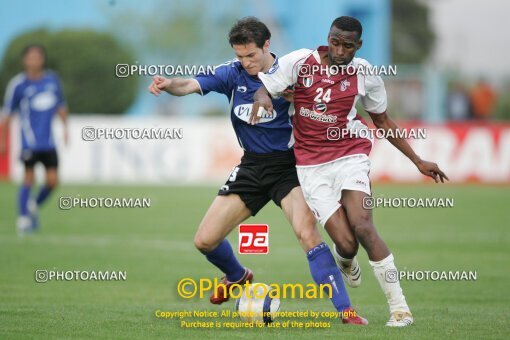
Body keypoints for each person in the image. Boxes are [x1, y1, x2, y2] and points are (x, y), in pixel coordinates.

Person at [148, 17, 367, 324]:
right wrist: (169, 84)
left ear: (267, 45)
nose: (246, 62)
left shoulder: (294, 71)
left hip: (289, 168)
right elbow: (189, 84)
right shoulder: (231, 73)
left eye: (251, 55)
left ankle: (346, 311)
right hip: (251, 166)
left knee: (308, 236)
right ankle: (237, 276)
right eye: (240, 56)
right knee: (204, 241)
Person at [251, 16, 449, 327]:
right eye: (335, 42)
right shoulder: (300, 61)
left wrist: (418, 161)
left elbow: (381, 121)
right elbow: (265, 89)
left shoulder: (365, 73)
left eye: (347, 45)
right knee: (346, 243)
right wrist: (262, 102)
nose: (340, 50)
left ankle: (400, 309)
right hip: (311, 167)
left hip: (350, 155)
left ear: (358, 46)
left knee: (363, 225)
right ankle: (345, 258)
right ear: (328, 38)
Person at [0, 44, 69, 234]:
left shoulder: (52, 81)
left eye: (38, 56)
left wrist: (65, 129)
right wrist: (3, 140)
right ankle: (23, 219)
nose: (34, 60)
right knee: (29, 178)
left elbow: (61, 106)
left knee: (53, 181)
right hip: (29, 142)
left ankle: (32, 205)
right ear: (24, 60)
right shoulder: (19, 85)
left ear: (43, 59)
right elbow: (7, 115)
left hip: (48, 142)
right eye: (31, 57)